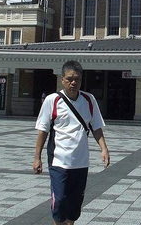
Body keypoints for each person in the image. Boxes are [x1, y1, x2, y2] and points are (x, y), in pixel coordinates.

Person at [33, 60, 110, 225]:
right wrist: (37, 158)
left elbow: (96, 126)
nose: (73, 83)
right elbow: (43, 130)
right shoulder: (52, 100)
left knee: (74, 208)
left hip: (80, 162)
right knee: (60, 202)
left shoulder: (89, 100)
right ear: (62, 80)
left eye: (77, 79)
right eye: (69, 79)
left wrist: (104, 149)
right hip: (59, 161)